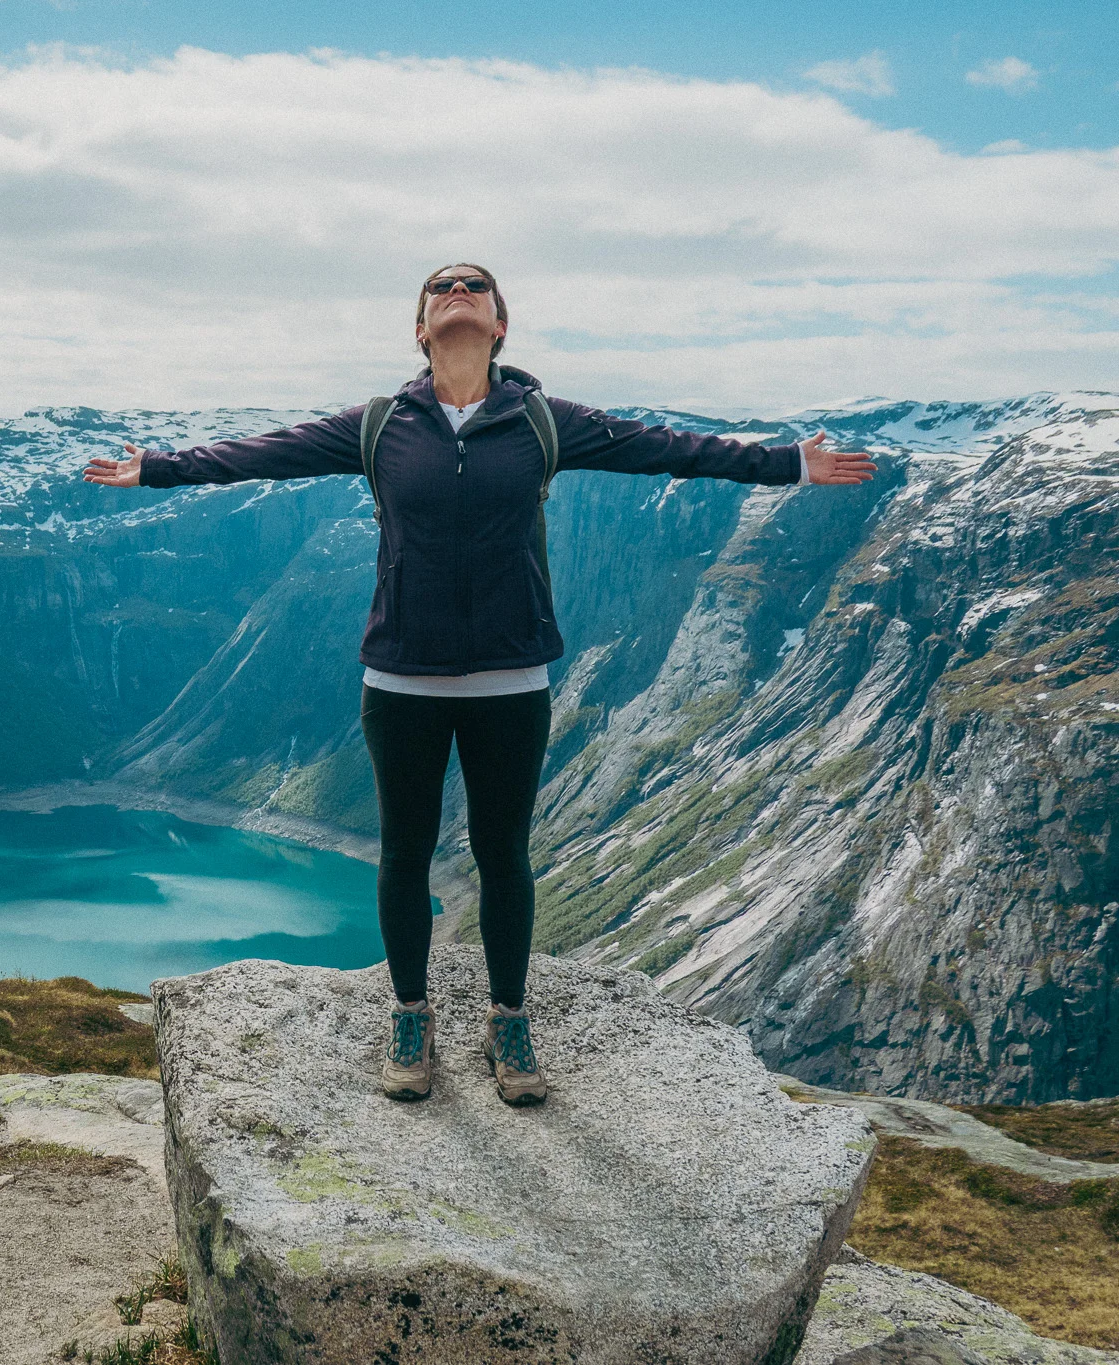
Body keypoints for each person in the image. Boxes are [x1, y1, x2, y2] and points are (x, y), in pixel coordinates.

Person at [82, 262, 876, 1106]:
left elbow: (669, 448)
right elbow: (261, 455)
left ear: (501, 325)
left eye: (475, 287)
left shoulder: (544, 421)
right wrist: (160, 468)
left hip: (511, 677)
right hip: (402, 678)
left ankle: (508, 1020)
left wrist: (790, 463)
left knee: (504, 857)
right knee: (404, 853)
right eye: (440, 289)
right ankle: (410, 1016)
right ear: (420, 330)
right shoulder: (380, 424)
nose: (457, 291)